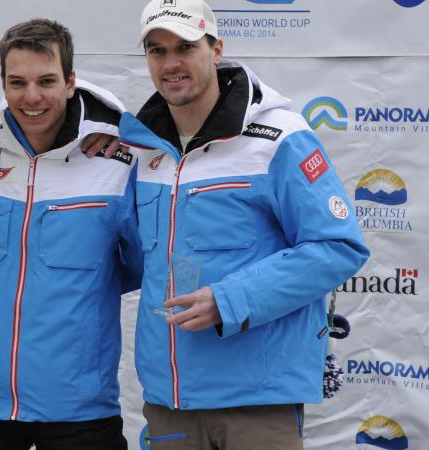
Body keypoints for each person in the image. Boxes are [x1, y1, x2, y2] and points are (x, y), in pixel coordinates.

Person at [118, 0, 371, 449]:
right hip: (169, 399)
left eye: (185, 47)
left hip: (256, 402)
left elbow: (337, 247)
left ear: (216, 49)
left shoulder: (280, 138)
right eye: (157, 51)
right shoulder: (143, 149)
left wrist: (228, 300)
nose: (171, 63)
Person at [0, 18, 143, 450]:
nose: (31, 97)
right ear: (2, 84)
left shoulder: (116, 163)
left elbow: (139, 265)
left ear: (71, 82)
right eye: (17, 82)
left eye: (46, 81)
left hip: (80, 407)